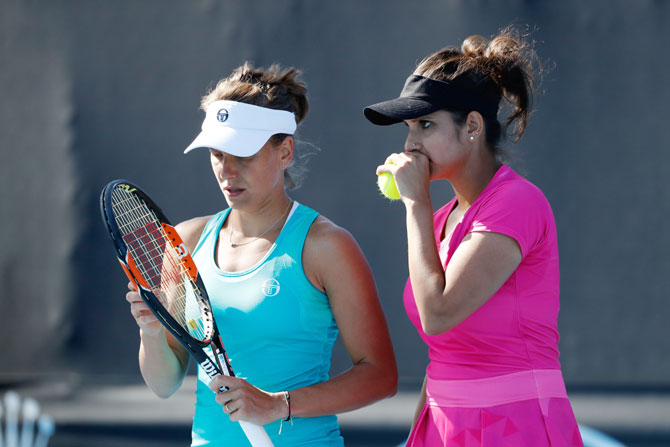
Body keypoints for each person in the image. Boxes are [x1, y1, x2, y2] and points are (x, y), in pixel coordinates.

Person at [126, 63, 397, 446]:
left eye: (243, 155)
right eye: (217, 154)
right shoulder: (185, 242)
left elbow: (381, 377)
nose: (227, 171)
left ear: (284, 151)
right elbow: (164, 384)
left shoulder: (327, 246)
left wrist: (277, 405)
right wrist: (151, 332)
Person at [364, 29, 584, 447]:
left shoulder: (518, 201)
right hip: (443, 425)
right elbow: (445, 357)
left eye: (426, 124)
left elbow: (439, 314)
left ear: (472, 127)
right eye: (409, 127)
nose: (410, 143)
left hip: (517, 426)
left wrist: (416, 205)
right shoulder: (440, 218)